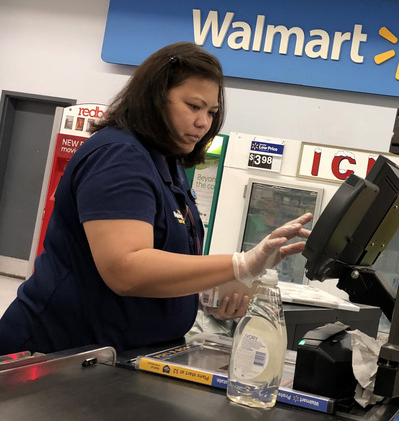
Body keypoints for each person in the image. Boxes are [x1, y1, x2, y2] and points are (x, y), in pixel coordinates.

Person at [0, 42, 312, 355]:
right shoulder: (119, 157)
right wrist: (241, 264)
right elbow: (126, 268)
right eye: (193, 106)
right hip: (59, 354)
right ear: (154, 98)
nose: (204, 122)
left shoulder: (168, 161)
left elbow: (163, 257)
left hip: (124, 353)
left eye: (211, 112)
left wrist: (205, 293)